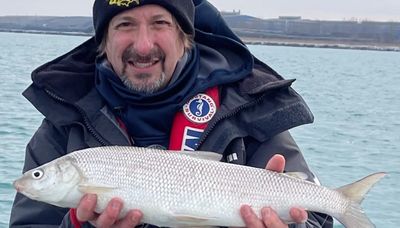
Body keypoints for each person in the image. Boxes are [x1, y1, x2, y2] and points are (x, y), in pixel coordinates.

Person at [10, 0, 333, 227]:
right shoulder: (63, 125)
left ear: (185, 37)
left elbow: (319, 219)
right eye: (125, 25)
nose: (144, 44)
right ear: (102, 42)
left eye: (160, 23)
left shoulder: (250, 109)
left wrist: (291, 227)